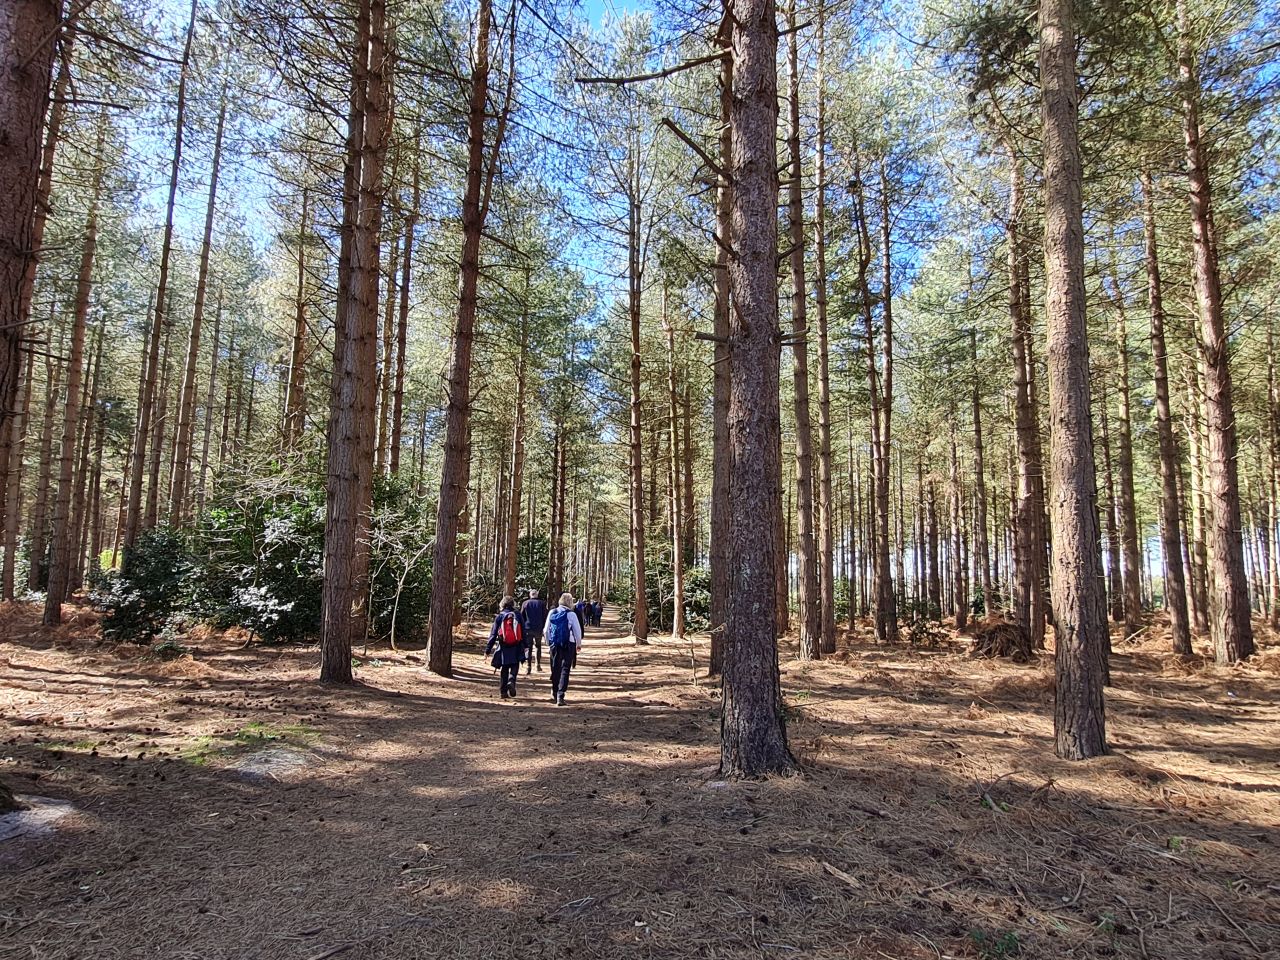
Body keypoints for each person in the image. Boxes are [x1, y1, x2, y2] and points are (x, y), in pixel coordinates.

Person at [545, 592, 583, 706]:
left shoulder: (552, 612)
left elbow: (546, 629)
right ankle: (561, 696)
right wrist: (578, 644)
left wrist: (548, 642)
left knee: (555, 667)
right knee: (565, 668)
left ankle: (554, 691)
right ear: (570, 602)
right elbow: (577, 631)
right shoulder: (571, 614)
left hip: (554, 644)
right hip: (569, 644)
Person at [485, 596, 525, 699]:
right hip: (516, 645)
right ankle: (511, 680)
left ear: (502, 604)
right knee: (515, 666)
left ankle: (503, 692)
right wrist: (526, 645)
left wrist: (488, 650)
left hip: (504, 646)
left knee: (504, 668)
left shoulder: (500, 616)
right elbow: (524, 631)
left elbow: (493, 635)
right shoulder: (517, 615)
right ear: (513, 604)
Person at [520, 588, 548, 674]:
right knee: (538, 646)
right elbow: (545, 616)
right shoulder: (542, 603)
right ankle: (538, 665)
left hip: (528, 628)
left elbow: (521, 616)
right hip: (538, 628)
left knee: (528, 647)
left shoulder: (525, 603)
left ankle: (528, 667)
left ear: (530, 595)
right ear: (537, 595)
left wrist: (523, 626)